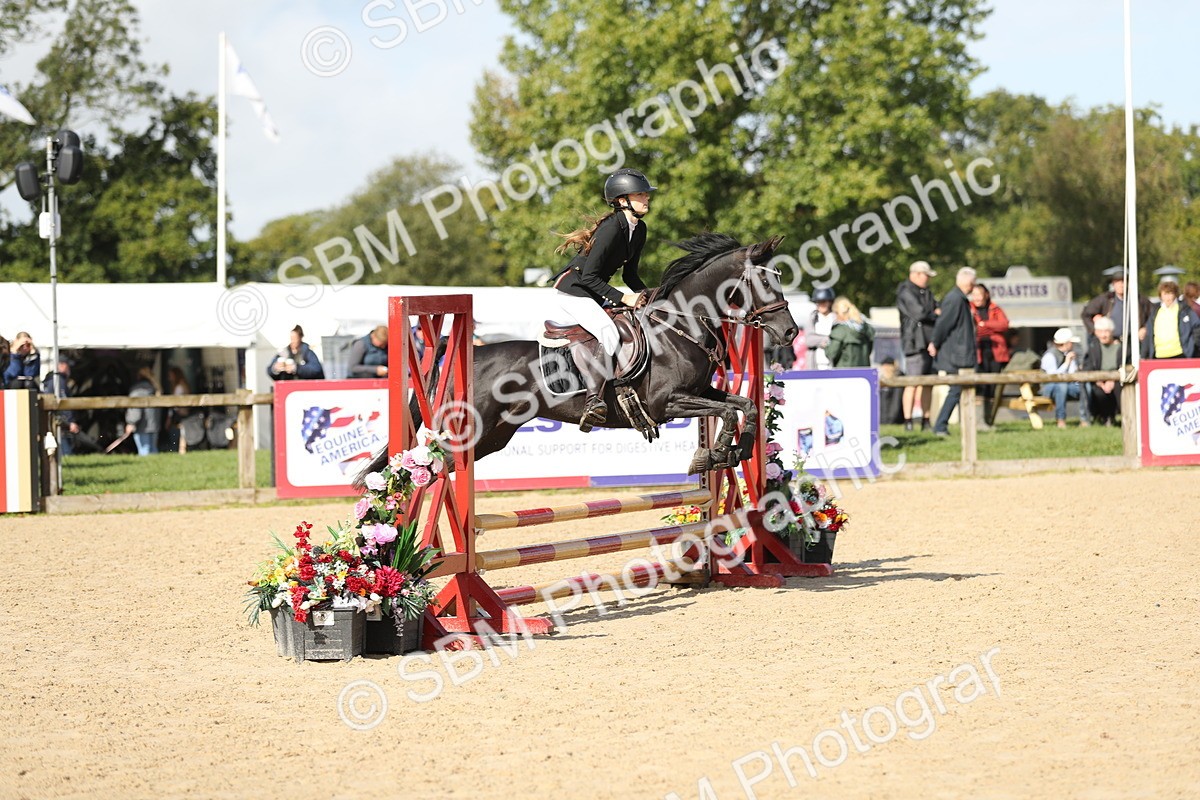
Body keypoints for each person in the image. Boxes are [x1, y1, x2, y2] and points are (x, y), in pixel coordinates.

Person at [550, 168, 654, 430]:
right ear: (622, 200)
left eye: (646, 194)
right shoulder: (610, 229)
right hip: (573, 290)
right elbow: (588, 277)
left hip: (593, 291)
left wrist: (652, 296)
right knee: (609, 330)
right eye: (640, 194)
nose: (646, 198)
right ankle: (593, 401)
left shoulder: (639, 229)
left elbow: (631, 275)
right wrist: (624, 298)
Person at [928, 267, 978, 437]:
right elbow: (943, 324)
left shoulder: (958, 298)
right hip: (955, 355)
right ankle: (940, 426)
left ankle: (962, 425)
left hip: (958, 353)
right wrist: (934, 342)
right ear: (969, 282)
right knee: (956, 390)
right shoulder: (955, 299)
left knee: (961, 390)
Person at [896, 260, 939, 431]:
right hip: (914, 342)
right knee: (912, 382)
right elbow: (920, 313)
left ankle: (926, 420)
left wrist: (932, 313)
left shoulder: (926, 292)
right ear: (915, 274)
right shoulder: (905, 291)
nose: (928, 279)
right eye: (926, 275)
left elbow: (936, 309)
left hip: (929, 342)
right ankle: (908, 421)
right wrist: (933, 313)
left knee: (928, 382)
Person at [1081, 265, 1152, 342]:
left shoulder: (1139, 299)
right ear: (1113, 284)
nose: (1121, 285)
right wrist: (1096, 330)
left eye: (1123, 281)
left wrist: (1145, 328)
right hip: (1111, 342)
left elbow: (1153, 314)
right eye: (1117, 282)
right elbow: (1086, 314)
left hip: (1133, 342)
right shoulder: (1106, 299)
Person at [1040, 328, 1089, 428]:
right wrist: (1067, 363)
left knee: (1085, 386)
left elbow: (1072, 374)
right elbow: (1053, 377)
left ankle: (1085, 419)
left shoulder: (1069, 354)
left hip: (1068, 385)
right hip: (1049, 388)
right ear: (1066, 343)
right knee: (1061, 386)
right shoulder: (1049, 355)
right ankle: (1060, 419)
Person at [1081, 317, 1125, 426]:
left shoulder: (1122, 347)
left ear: (1112, 332)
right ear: (1096, 333)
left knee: (1119, 389)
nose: (1103, 335)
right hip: (1098, 380)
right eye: (1100, 332)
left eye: (1106, 331)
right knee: (1099, 393)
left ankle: (1124, 418)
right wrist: (1099, 381)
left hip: (1118, 379)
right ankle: (1105, 418)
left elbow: (1125, 365)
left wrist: (1112, 380)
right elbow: (1088, 366)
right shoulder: (1093, 346)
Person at [1142, 280, 1200, 360]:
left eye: (1170, 293)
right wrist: (1144, 355)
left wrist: (1193, 346)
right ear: (1161, 295)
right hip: (1159, 355)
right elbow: (1149, 333)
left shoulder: (1184, 310)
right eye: (1165, 294)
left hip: (1180, 354)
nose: (1168, 297)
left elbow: (1196, 327)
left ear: (1175, 294)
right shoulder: (1155, 311)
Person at [970, 283, 1010, 399]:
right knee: (981, 379)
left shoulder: (995, 308)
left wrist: (985, 324)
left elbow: (1004, 325)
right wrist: (991, 328)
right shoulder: (969, 308)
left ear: (986, 295)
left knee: (994, 380)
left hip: (996, 350)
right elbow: (976, 329)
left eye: (979, 294)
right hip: (978, 349)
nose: (976, 298)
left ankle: (992, 406)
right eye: (974, 295)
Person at [42, 357, 81, 456]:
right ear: (61, 365)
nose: (69, 369)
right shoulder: (59, 381)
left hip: (52, 420)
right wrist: (70, 422)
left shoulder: (50, 380)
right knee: (66, 451)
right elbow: (64, 404)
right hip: (61, 422)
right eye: (67, 366)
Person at [124, 367, 163, 455]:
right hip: (154, 425)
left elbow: (135, 409)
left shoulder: (137, 391)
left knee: (144, 450)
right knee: (153, 449)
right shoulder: (155, 388)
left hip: (142, 426)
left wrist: (131, 423)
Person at [825, 297, 874, 368]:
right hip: (864, 374)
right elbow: (869, 350)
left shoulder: (840, 330)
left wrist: (826, 345)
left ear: (838, 313)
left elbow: (831, 353)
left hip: (845, 374)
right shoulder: (867, 329)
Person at [806, 287, 837, 370]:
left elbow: (838, 339)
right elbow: (809, 340)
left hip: (833, 364)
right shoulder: (813, 318)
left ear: (830, 302)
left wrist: (819, 340)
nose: (821, 305)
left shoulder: (836, 318)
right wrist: (828, 339)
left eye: (824, 302)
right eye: (818, 302)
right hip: (816, 363)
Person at [165, 367, 192, 453]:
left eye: (171, 375)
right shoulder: (183, 385)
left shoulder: (179, 387)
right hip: (183, 413)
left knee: (176, 435)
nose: (169, 378)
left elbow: (175, 403)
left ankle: (176, 449)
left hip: (178, 414)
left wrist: (169, 418)